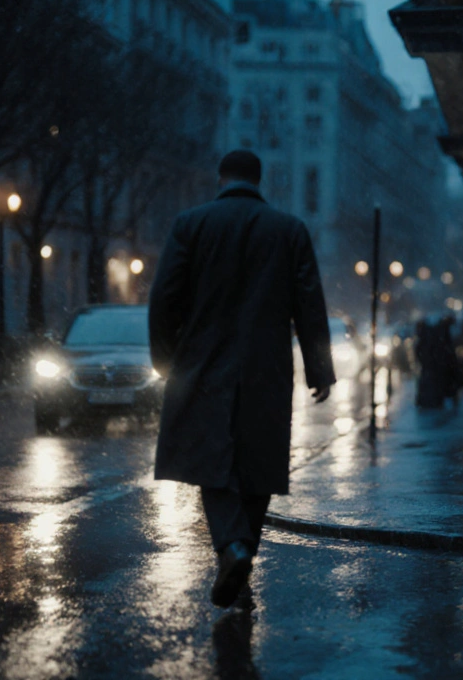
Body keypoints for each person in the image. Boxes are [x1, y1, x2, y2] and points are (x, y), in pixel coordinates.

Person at [148, 149, 336, 608]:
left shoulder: (190, 224)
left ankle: (232, 549)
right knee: (259, 467)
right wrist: (319, 370)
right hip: (267, 366)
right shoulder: (289, 230)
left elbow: (164, 298)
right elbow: (309, 303)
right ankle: (241, 554)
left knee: (211, 465)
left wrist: (166, 360)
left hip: (203, 363)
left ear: (221, 178)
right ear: (259, 180)